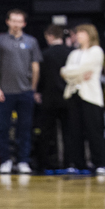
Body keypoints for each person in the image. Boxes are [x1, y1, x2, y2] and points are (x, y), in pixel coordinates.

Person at [0, 9, 41, 174]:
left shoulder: (31, 41)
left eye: (19, 21)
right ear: (8, 22)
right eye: (13, 20)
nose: (16, 24)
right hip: (5, 91)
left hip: (25, 91)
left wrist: (33, 89)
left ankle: (23, 161)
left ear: (24, 23)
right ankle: (5, 160)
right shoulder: (0, 40)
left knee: (25, 128)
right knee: (3, 128)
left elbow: (35, 66)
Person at [61, 23, 105, 174]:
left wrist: (73, 73)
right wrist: (77, 75)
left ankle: (100, 163)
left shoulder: (96, 51)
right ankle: (78, 163)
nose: (78, 35)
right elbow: (64, 72)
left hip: (90, 97)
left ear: (90, 34)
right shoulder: (73, 54)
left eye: (82, 32)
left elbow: (83, 69)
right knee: (74, 131)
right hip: (73, 94)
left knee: (94, 131)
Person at [37, 24, 73, 169]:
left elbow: (40, 76)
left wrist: (38, 91)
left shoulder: (44, 54)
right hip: (67, 97)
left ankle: (45, 163)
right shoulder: (71, 53)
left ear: (49, 36)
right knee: (68, 133)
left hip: (48, 97)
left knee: (46, 133)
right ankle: (68, 162)